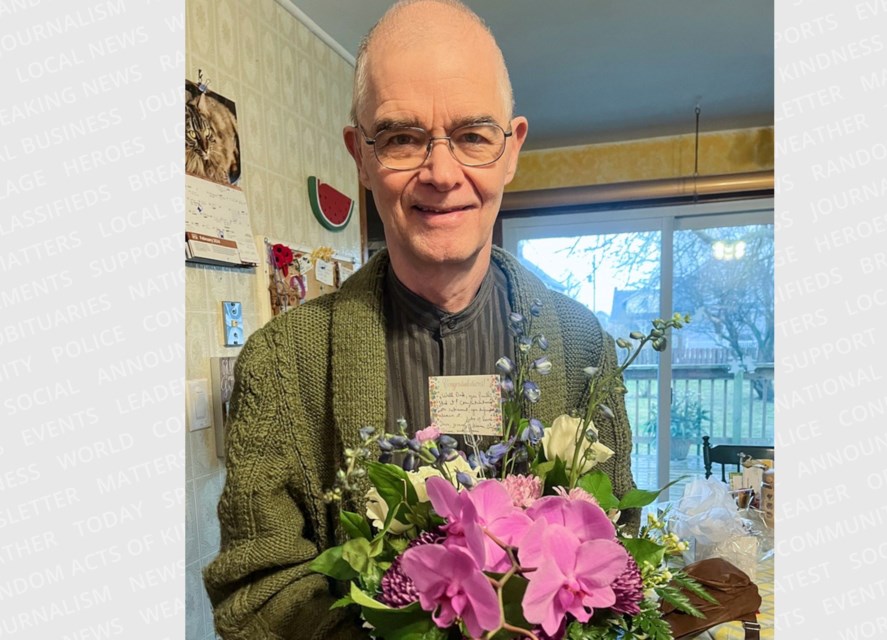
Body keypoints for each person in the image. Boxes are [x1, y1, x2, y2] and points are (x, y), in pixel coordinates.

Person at [203, 1, 635, 638]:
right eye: (402, 137)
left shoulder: (586, 349)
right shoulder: (278, 366)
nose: (440, 173)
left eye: (473, 136)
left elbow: (617, 558)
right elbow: (254, 593)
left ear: (511, 149)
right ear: (361, 154)